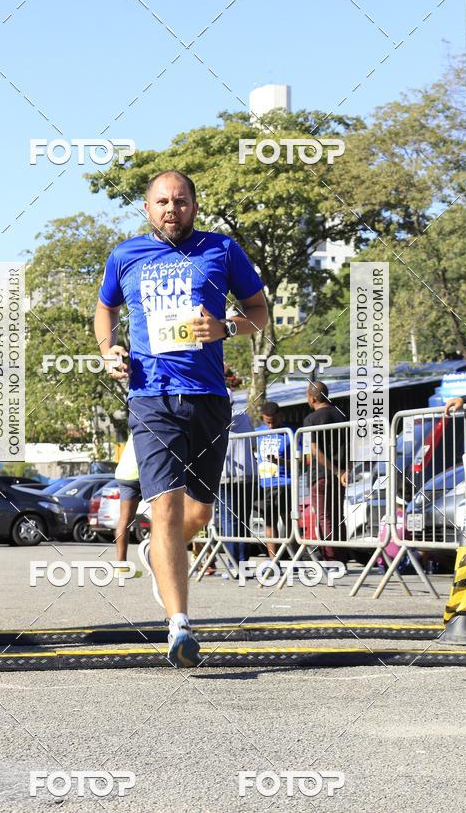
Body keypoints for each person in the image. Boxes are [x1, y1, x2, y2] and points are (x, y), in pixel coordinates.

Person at [94, 170, 268, 667]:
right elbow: (104, 309)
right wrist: (110, 352)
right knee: (165, 509)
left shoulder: (222, 250)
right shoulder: (126, 255)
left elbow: (259, 310)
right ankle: (180, 626)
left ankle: (156, 554)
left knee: (198, 514)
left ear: (195, 204)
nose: (172, 208)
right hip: (151, 396)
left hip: (210, 397)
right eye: (162, 201)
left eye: (181, 200)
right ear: (147, 208)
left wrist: (227, 326)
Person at [303, 381, 348, 562]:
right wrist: (344, 471)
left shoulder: (311, 420)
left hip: (320, 476)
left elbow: (313, 450)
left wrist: (335, 470)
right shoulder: (342, 415)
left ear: (312, 398)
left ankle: (331, 558)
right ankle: (342, 556)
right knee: (338, 515)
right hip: (341, 476)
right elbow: (350, 445)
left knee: (324, 517)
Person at [217, 392, 257, 569]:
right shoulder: (244, 417)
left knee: (228, 520)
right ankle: (243, 563)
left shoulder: (214, 418)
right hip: (247, 475)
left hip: (225, 475)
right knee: (243, 520)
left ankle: (233, 564)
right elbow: (254, 443)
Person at [255, 401, 291, 560]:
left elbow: (302, 461)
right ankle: (273, 560)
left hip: (285, 482)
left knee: (288, 520)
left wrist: (281, 462)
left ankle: (295, 557)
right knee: (269, 521)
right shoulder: (257, 432)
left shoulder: (289, 432)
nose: (270, 426)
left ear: (280, 416)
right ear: (262, 418)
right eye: (267, 422)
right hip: (264, 484)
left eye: (273, 421)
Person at [114, 433, 142, 566]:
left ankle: (121, 564)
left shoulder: (136, 426)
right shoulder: (156, 423)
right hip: (142, 473)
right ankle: (159, 563)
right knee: (161, 516)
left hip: (125, 474)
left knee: (124, 520)